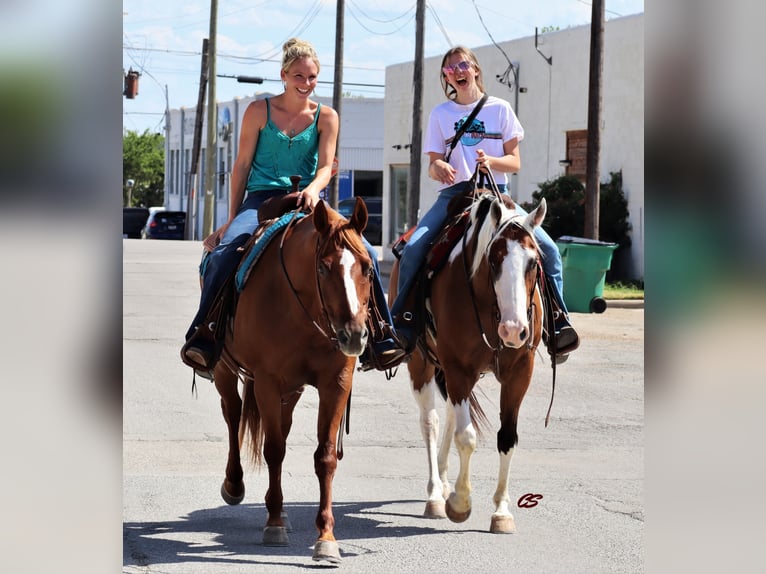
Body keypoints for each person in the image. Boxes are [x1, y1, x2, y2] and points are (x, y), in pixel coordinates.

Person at [181, 38, 405, 375]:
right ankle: (205, 334)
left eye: (312, 77)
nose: (306, 83)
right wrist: (230, 220)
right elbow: (241, 165)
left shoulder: (326, 117)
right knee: (224, 254)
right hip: (261, 200)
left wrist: (315, 190)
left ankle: (381, 338)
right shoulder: (259, 111)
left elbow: (327, 166)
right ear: (284, 75)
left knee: (365, 254)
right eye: (299, 76)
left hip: (308, 201)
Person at [391, 46, 579, 362]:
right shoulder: (441, 114)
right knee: (413, 249)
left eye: (463, 65)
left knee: (548, 251)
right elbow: (433, 163)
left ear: (475, 69)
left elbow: (515, 161)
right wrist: (438, 168)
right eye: (450, 69)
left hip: (497, 195)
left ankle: (557, 324)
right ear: (446, 77)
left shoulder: (500, 109)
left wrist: (491, 160)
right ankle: (403, 324)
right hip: (455, 196)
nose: (457, 72)